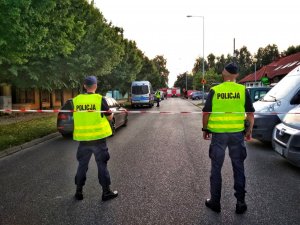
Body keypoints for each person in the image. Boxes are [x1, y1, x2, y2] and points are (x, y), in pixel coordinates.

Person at [202, 62, 254, 214]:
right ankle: (240, 203)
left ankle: (215, 202)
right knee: (239, 167)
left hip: (218, 135)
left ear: (224, 74)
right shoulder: (243, 90)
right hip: (237, 135)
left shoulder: (215, 90)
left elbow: (206, 113)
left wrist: (205, 129)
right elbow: (250, 114)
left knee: (216, 169)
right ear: (237, 75)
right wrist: (249, 131)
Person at [72, 75, 118, 201]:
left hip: (83, 140)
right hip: (98, 139)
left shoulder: (76, 100)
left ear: (84, 86)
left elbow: (71, 114)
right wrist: (111, 113)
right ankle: (106, 192)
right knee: (101, 165)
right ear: (96, 86)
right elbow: (109, 117)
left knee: (82, 165)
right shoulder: (99, 99)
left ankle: (78, 191)